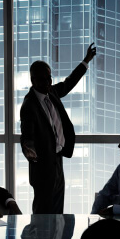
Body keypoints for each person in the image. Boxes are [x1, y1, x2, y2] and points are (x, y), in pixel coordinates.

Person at [20, 43, 97, 213]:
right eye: (42, 79)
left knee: (57, 210)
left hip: (57, 161)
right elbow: (27, 135)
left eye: (49, 78)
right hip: (42, 167)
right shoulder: (29, 105)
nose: (47, 82)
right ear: (33, 81)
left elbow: (69, 82)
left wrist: (86, 61)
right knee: (43, 213)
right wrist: (30, 151)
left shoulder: (52, 92)